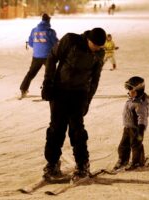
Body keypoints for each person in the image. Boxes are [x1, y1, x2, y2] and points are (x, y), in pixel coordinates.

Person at [41, 27, 107, 181]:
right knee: (56, 128)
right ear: (88, 40)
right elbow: (52, 58)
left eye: (99, 47)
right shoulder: (70, 40)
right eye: (95, 45)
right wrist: (48, 83)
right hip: (60, 91)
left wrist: (87, 101)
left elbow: (95, 79)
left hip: (79, 94)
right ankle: (52, 163)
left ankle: (82, 164)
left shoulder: (98, 53)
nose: (97, 49)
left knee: (77, 130)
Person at [113, 76, 149, 171]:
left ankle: (137, 162)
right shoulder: (132, 99)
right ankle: (123, 160)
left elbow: (142, 117)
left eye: (132, 91)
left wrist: (140, 129)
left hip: (136, 129)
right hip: (128, 127)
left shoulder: (140, 104)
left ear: (139, 91)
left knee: (136, 145)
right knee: (123, 145)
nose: (129, 93)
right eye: (129, 90)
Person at [19, 13, 58, 98]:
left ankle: (23, 89)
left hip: (36, 56)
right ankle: (49, 91)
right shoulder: (50, 32)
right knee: (51, 74)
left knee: (31, 73)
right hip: (48, 56)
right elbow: (55, 44)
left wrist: (38, 48)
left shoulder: (34, 30)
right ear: (48, 21)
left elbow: (30, 43)